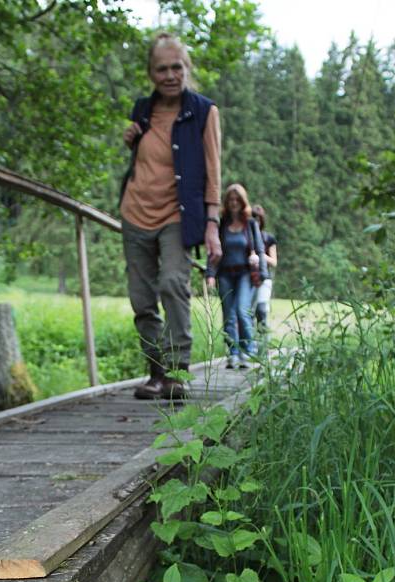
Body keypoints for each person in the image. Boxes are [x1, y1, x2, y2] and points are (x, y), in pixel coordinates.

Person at [120, 32, 222, 400]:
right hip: (134, 214)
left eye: (176, 67)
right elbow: (146, 155)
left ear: (187, 68)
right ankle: (156, 373)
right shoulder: (142, 109)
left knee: (173, 284)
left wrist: (212, 225)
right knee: (141, 299)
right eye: (161, 69)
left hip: (178, 216)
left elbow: (214, 171)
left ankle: (178, 372)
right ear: (151, 73)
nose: (169, 75)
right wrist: (133, 138)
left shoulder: (203, 111)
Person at [205, 184, 269, 368]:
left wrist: (262, 272)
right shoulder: (221, 223)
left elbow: (260, 247)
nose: (233, 203)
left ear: (242, 202)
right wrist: (210, 274)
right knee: (229, 315)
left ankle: (248, 350)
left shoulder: (250, 224)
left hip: (245, 274)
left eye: (237, 200)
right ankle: (232, 353)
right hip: (225, 273)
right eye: (230, 200)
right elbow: (213, 251)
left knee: (242, 310)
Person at [251, 204, 277, 332]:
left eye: (258, 218)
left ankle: (263, 345)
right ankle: (249, 345)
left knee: (261, 310)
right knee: (248, 312)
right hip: (248, 277)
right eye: (253, 218)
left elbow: (274, 261)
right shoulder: (245, 237)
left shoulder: (268, 238)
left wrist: (261, 256)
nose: (256, 221)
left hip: (264, 278)